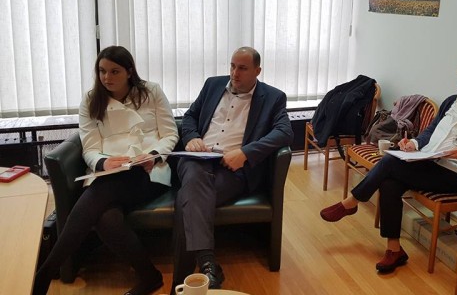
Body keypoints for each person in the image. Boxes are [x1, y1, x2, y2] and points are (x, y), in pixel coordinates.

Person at [320, 59, 457, 274]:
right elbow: (431, 130)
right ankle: (394, 249)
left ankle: (352, 202)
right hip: (429, 161)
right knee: (389, 183)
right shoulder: (452, 102)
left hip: (456, 175)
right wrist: (414, 143)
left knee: (389, 162)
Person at [34, 46, 179, 295]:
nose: (106, 77)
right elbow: (90, 147)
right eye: (102, 71)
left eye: (114, 71)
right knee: (106, 218)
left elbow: (170, 134)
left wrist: (154, 155)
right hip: (109, 173)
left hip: (148, 172)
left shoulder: (151, 91)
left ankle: (44, 274)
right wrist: (103, 163)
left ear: (129, 72)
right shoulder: (91, 100)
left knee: (101, 194)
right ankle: (149, 276)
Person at [171, 46, 293, 292]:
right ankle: (207, 266)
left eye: (243, 68)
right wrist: (192, 137)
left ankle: (183, 283)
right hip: (196, 159)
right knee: (194, 175)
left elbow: (284, 132)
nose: (235, 73)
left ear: (257, 71)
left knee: (188, 200)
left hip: (232, 169)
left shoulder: (273, 97)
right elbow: (190, 116)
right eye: (232, 66)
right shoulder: (212, 85)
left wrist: (245, 153)